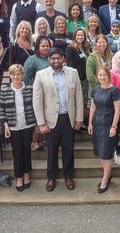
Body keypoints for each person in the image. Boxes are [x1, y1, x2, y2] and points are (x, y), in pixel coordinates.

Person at [33, 48, 84, 192]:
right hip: (50, 120)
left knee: (69, 149)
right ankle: (51, 177)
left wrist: (79, 118)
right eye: (53, 58)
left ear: (63, 58)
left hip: (68, 117)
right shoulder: (41, 75)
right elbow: (37, 101)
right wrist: (41, 123)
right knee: (52, 151)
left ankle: (68, 176)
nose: (56, 61)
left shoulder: (73, 73)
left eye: (58, 58)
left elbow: (79, 97)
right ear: (49, 59)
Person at [0, 64, 36, 192]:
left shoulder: (30, 88)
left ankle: (26, 175)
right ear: (10, 75)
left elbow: (35, 106)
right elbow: (1, 110)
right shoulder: (5, 90)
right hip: (13, 127)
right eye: (13, 74)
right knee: (17, 153)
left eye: (18, 74)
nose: (16, 76)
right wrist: (6, 125)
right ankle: (19, 177)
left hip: (28, 125)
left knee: (27, 151)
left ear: (22, 75)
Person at [88, 67, 120, 193]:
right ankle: (106, 174)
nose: (102, 77)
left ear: (109, 75)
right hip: (97, 123)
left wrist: (114, 126)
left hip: (108, 124)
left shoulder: (114, 90)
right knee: (99, 151)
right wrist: (90, 123)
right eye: (100, 75)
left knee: (107, 153)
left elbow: (118, 110)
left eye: (104, 75)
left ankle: (105, 178)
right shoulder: (95, 89)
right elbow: (92, 107)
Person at [66, 29, 91, 114]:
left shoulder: (85, 48)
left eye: (82, 35)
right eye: (78, 35)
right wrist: (75, 79)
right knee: (76, 101)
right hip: (77, 79)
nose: (80, 37)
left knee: (83, 101)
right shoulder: (70, 48)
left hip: (86, 79)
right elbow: (70, 65)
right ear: (74, 36)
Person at [87, 34, 113, 98]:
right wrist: (103, 84)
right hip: (96, 91)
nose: (102, 44)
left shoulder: (111, 56)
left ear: (107, 43)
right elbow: (90, 77)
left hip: (109, 90)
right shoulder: (91, 58)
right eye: (99, 42)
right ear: (96, 44)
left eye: (104, 42)